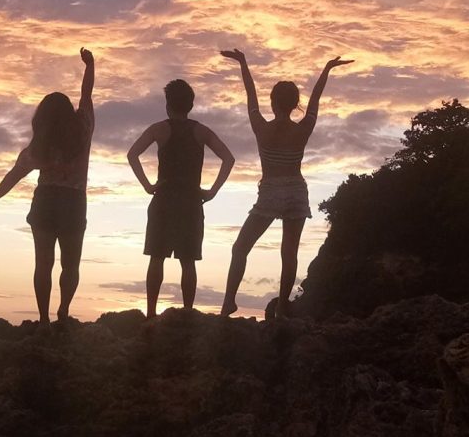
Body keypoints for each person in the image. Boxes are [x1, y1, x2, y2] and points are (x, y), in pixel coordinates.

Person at [219, 49, 352, 319]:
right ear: (294, 104)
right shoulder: (302, 129)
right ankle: (281, 309)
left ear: (273, 103)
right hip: (295, 191)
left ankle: (228, 304)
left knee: (240, 248)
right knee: (288, 253)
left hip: (270, 192)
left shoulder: (261, 127)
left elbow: (250, 96)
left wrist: (243, 62)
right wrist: (326, 70)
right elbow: (316, 100)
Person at [0, 48, 96, 323]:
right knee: (71, 264)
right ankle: (64, 311)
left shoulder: (39, 146)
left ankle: (43, 318)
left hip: (45, 200)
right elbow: (86, 96)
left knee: (43, 263)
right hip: (73, 201)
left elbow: (14, 175)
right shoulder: (83, 129)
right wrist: (90, 65)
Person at [127, 79, 235, 318]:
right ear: (191, 105)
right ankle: (187, 314)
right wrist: (212, 190)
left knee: (157, 257)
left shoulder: (159, 129)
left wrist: (148, 186)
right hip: (190, 202)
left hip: (164, 199)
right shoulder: (201, 131)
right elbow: (228, 158)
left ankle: (152, 314)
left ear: (167, 104)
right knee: (188, 260)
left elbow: (132, 154)